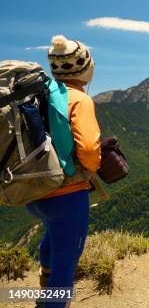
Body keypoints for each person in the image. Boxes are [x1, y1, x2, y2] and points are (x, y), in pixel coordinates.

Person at [26, 35, 101, 307]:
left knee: (51, 234)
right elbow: (90, 147)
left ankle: (45, 280)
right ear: (85, 68)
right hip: (67, 196)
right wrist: (89, 171)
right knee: (66, 264)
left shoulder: (40, 95)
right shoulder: (79, 99)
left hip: (33, 189)